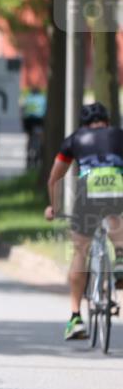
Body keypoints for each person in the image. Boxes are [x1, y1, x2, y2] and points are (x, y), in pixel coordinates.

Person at [44, 101, 123, 340]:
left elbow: (54, 178)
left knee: (80, 250)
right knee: (117, 223)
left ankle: (76, 317)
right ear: (107, 122)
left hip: (88, 192)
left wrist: (54, 208)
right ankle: (120, 258)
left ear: (83, 125)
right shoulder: (119, 134)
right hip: (117, 189)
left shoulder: (75, 139)